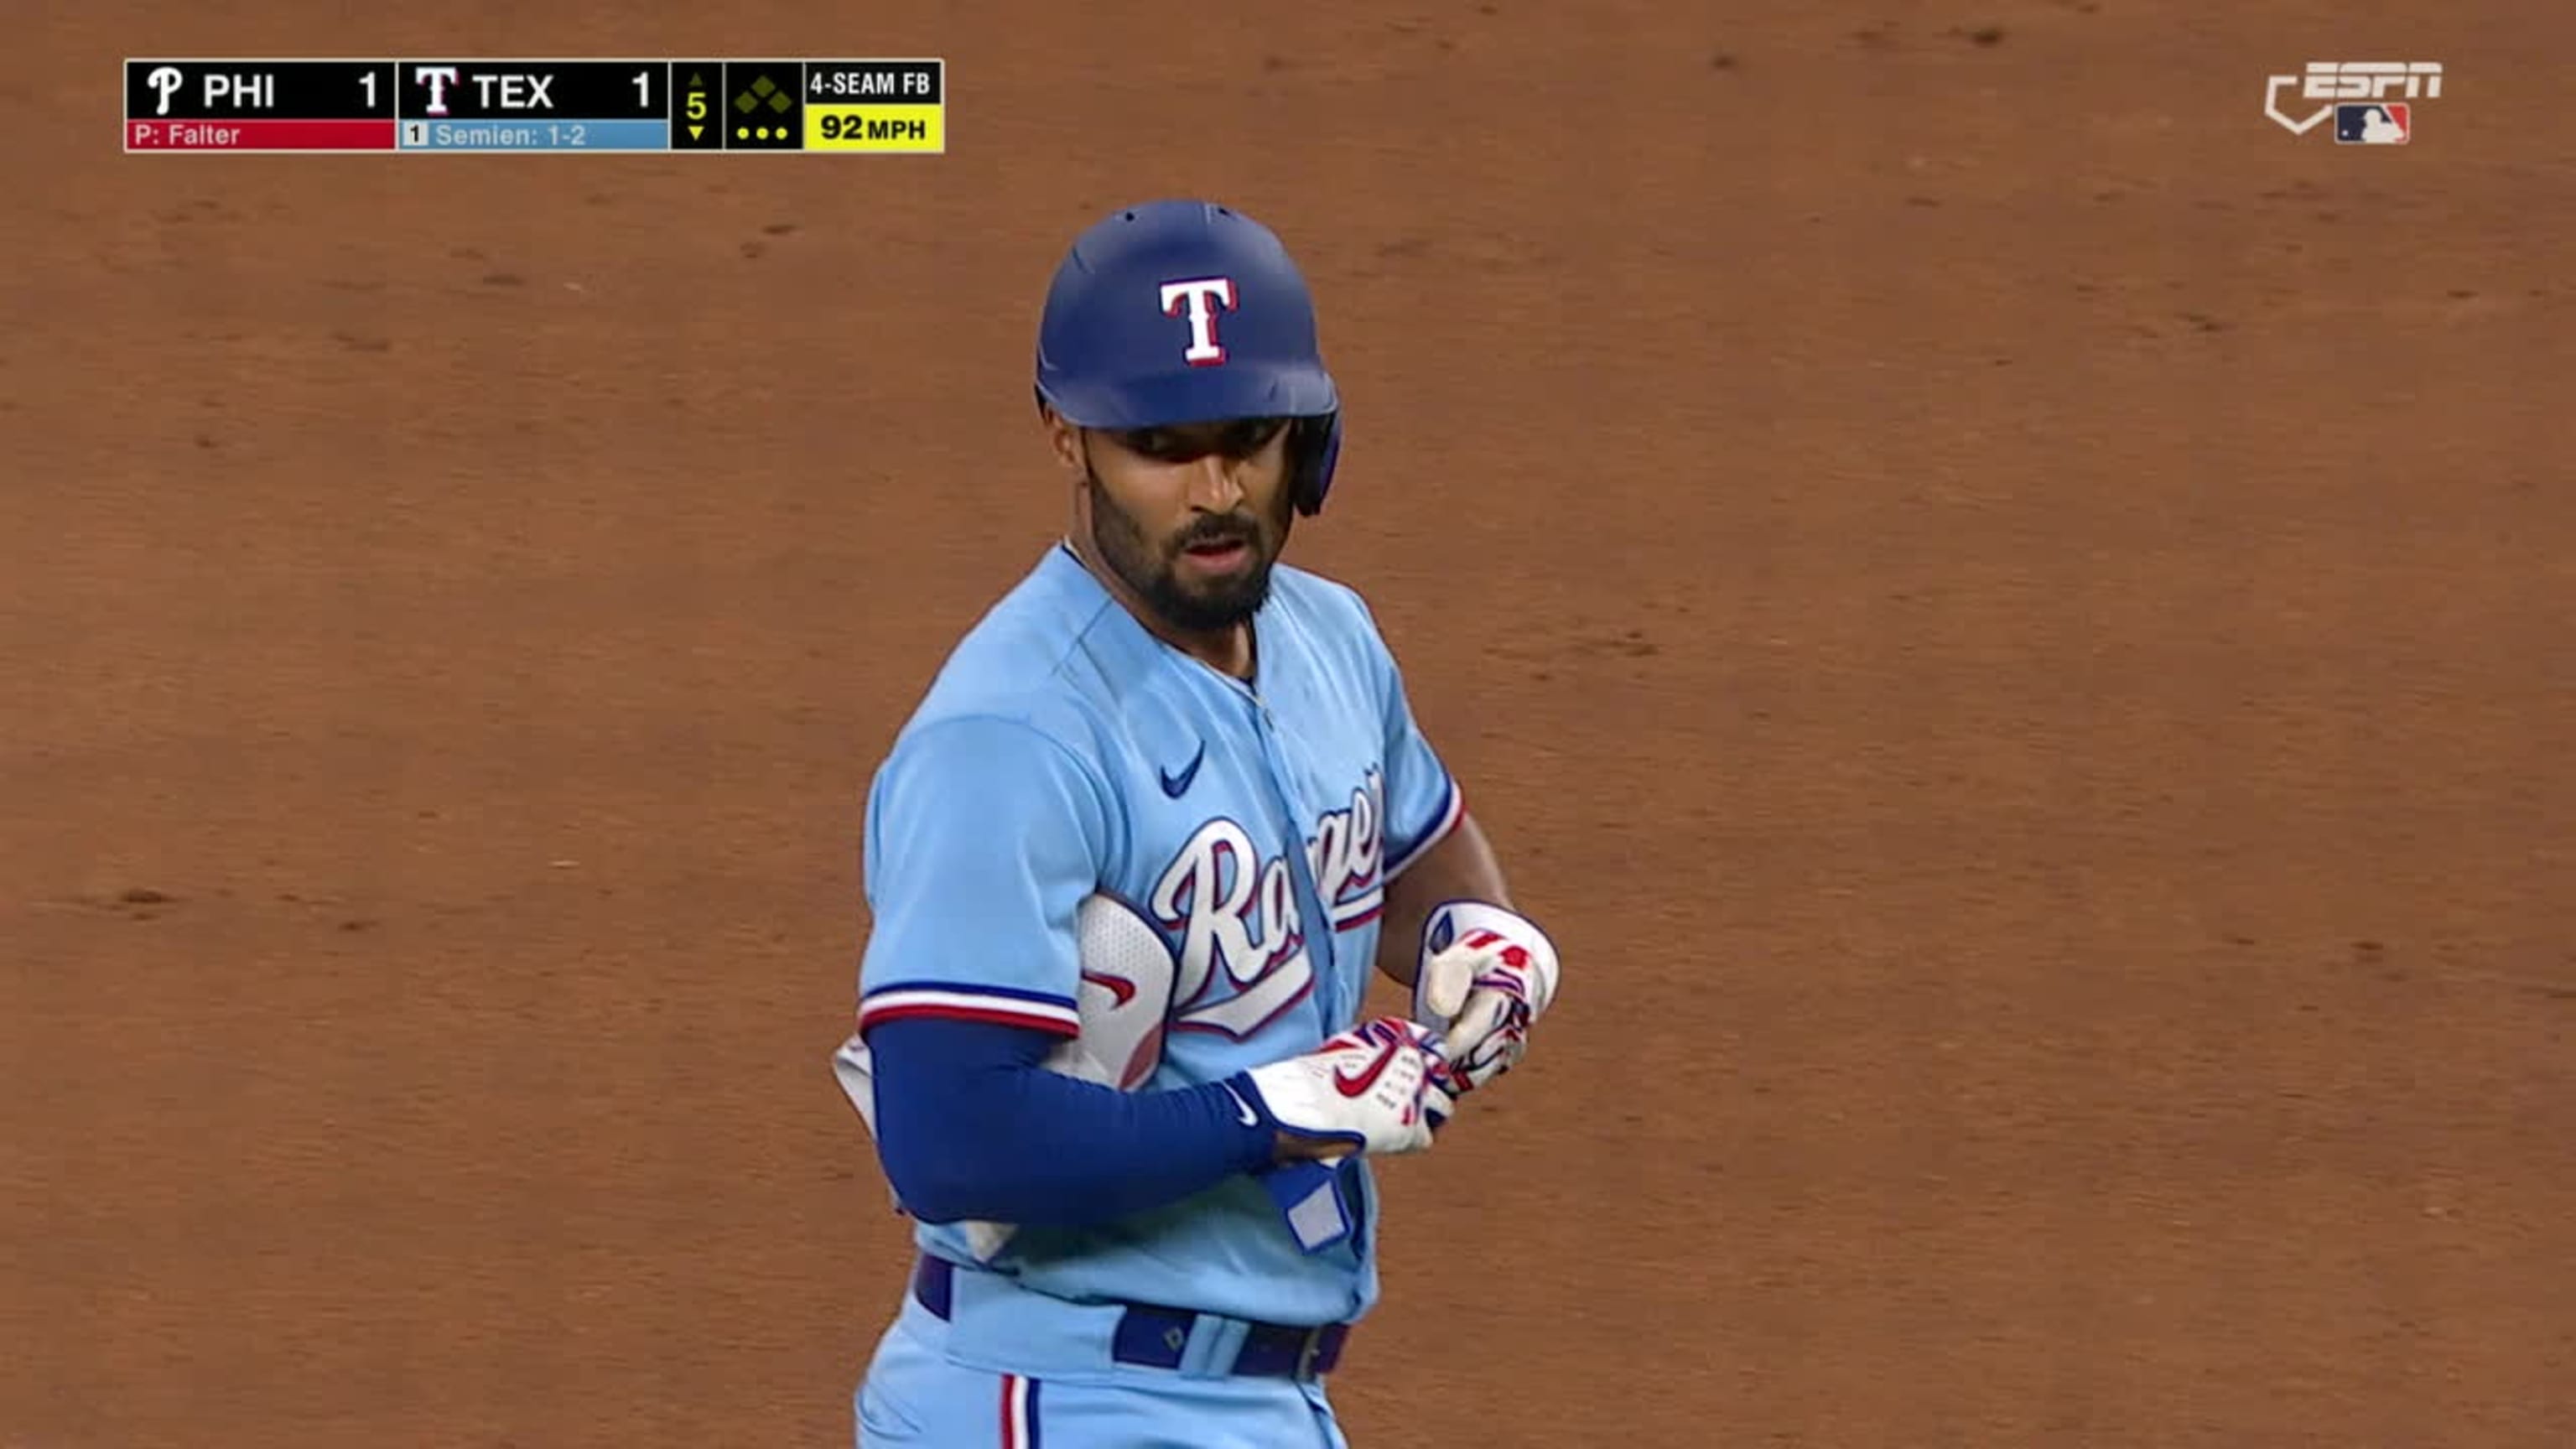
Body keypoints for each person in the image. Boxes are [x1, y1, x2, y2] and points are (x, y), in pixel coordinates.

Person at [829, 199, 1565, 1448]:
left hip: (1255, 1401)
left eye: (1248, 440)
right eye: (1160, 447)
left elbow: (1410, 856)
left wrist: (1485, 941)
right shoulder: (1010, 737)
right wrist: (1271, 1113)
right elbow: (948, 1140)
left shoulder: (1331, 641)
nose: (1215, 491)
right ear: (1066, 435)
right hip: (1058, 1395)